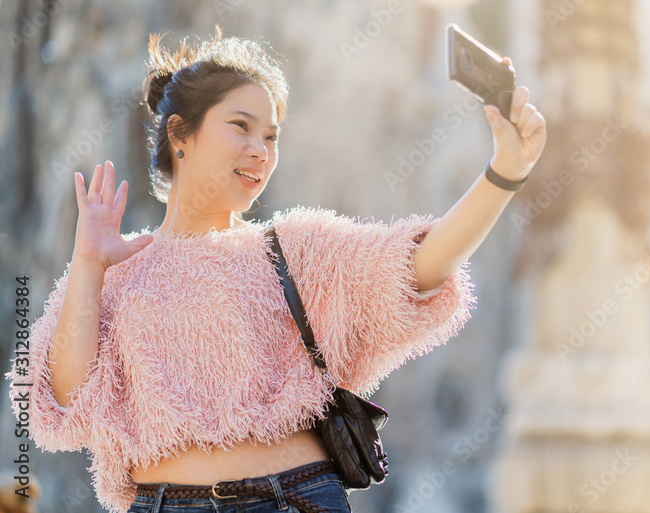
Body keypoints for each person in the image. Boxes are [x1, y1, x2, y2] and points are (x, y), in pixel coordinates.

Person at [6, 24, 545, 513]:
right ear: (179, 134)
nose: (260, 150)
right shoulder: (118, 270)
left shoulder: (295, 248)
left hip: (296, 500)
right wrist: (87, 265)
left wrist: (505, 172)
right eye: (241, 126)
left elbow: (418, 265)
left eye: (271, 136)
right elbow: (61, 401)